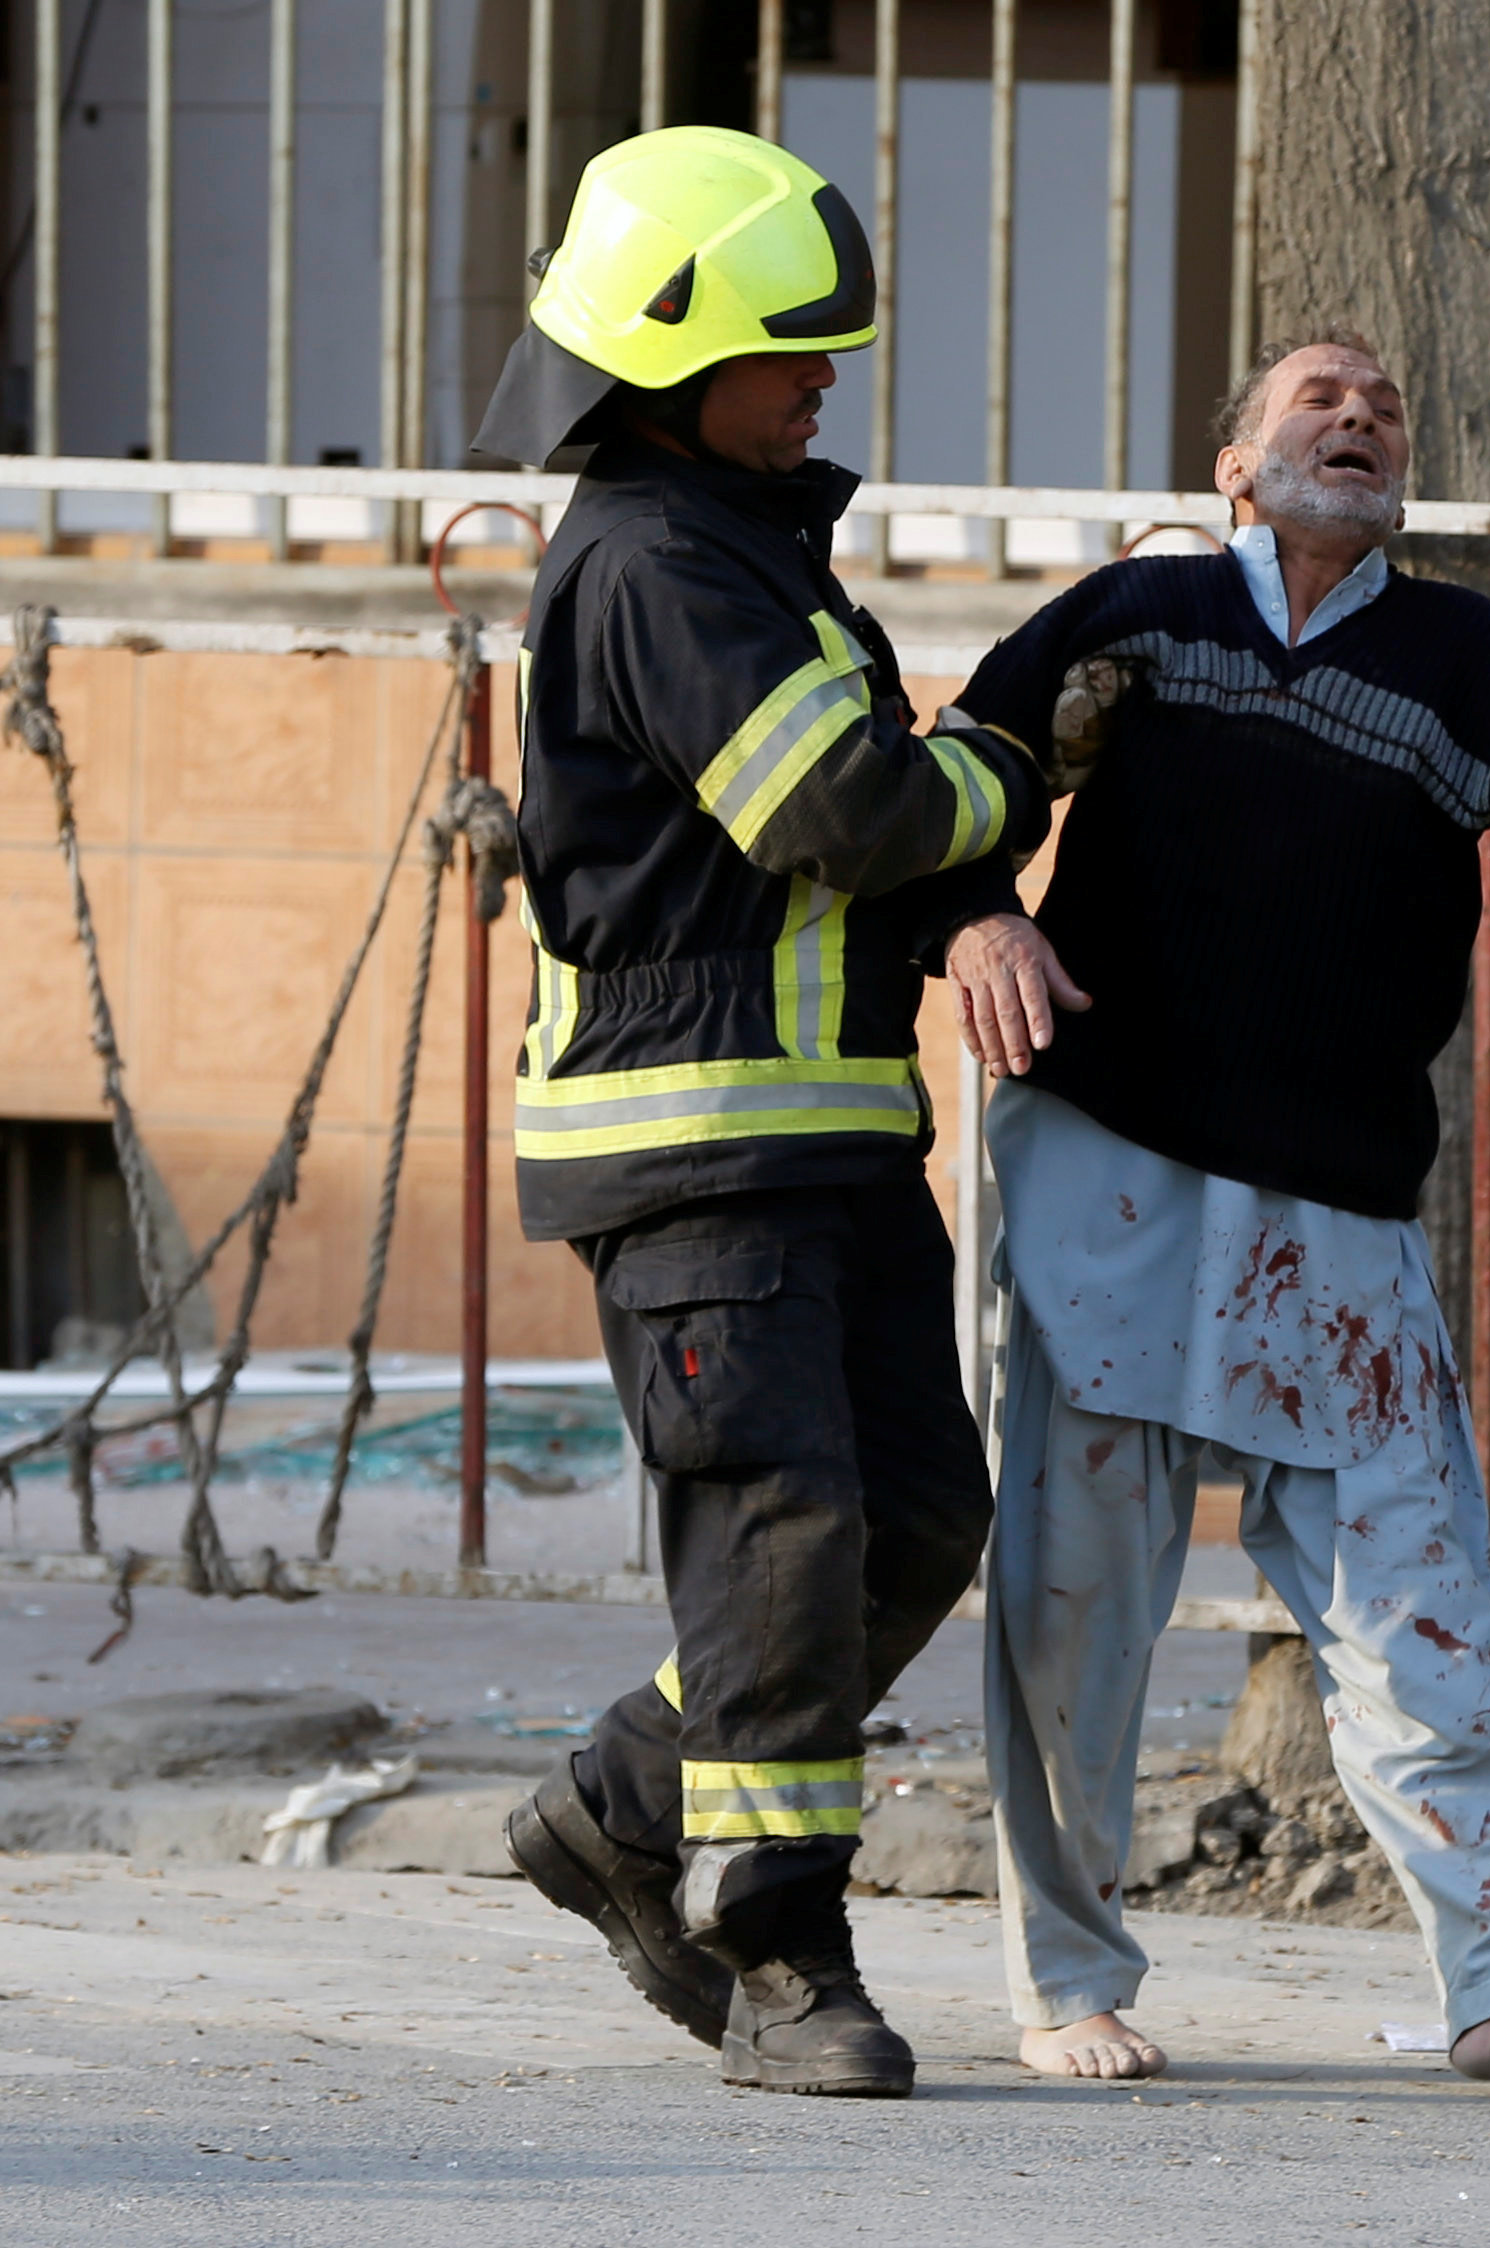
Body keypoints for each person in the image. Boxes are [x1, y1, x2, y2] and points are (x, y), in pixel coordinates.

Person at [940, 325, 1490, 2084]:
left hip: (1341, 1215)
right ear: (1234, 465)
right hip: (1110, 1170)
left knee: (1417, 1594)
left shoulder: (1461, 651)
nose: (1360, 415)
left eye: (1385, 407)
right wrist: (977, 918)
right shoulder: (1131, 619)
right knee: (1073, 1598)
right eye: (1319, 397)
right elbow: (946, 784)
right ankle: (1065, 1979)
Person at [471, 126, 1058, 2100]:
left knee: (916, 1514)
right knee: (788, 1528)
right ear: (669, 352)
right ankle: (781, 1941)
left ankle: (619, 1807)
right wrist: (1004, 764)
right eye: (792, 347)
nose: (825, 379)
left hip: (823, 1135)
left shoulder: (739, 552)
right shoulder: (651, 564)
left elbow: (858, 839)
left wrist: (951, 820)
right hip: (697, 1147)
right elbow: (844, 809)